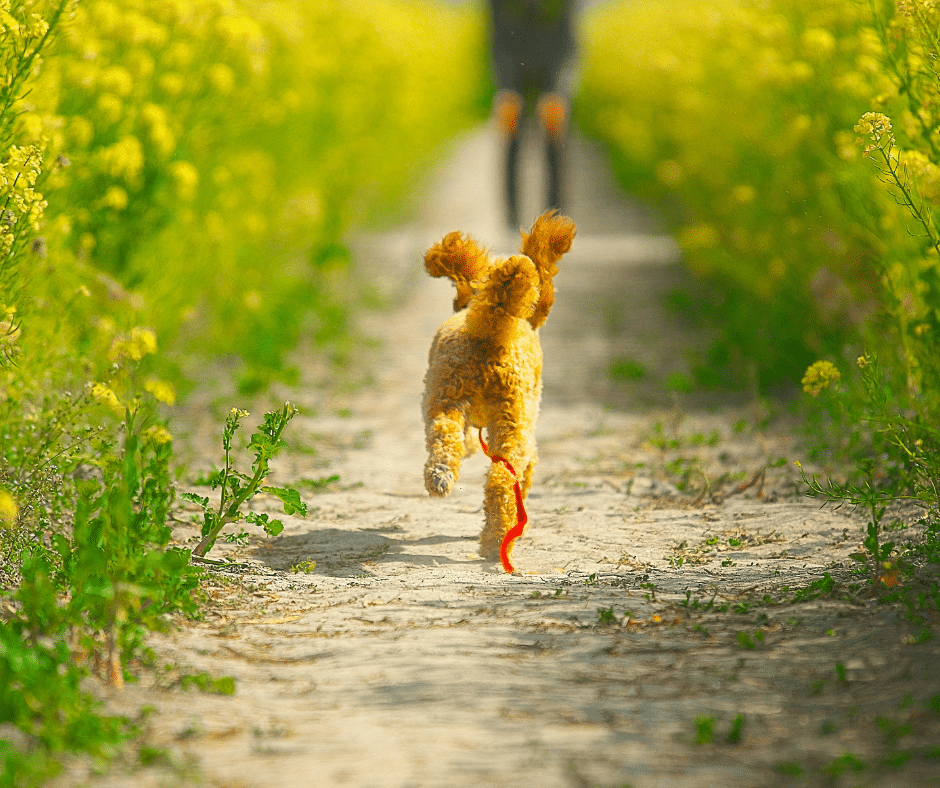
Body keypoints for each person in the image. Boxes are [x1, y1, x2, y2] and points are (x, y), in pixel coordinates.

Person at [487, 0, 576, 229]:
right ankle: (511, 221)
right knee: (511, 133)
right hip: (512, 65)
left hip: (552, 64)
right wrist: (505, 89)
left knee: (554, 134)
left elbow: (567, 40)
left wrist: (558, 90)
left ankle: (554, 221)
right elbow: (496, 38)